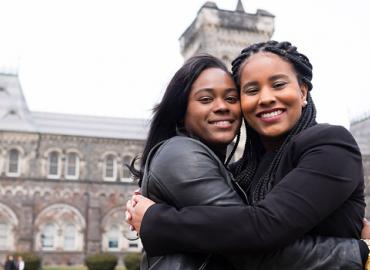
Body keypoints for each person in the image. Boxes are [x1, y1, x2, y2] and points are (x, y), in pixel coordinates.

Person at [127, 50, 367, 269]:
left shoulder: (330, 143)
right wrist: (359, 252)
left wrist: (156, 221)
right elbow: (253, 239)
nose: (266, 98)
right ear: (180, 112)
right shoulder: (190, 156)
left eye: (230, 98)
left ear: (303, 91)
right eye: (252, 90)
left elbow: (258, 229)